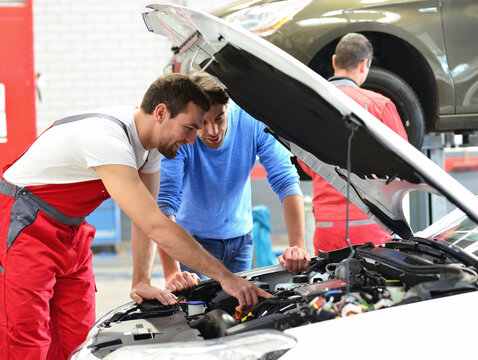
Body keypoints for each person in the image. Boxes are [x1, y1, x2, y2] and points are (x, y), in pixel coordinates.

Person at [0, 73, 271, 360]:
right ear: (161, 113)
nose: (193, 140)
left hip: (71, 231)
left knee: (79, 340)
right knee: (26, 341)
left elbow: (147, 218)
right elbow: (157, 226)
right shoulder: (107, 139)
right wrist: (226, 278)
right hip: (24, 224)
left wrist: (141, 280)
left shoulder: (148, 147)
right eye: (189, 128)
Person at [157, 72, 311, 290]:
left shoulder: (252, 121)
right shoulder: (181, 135)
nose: (213, 131)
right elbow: (164, 205)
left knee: (241, 314)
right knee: (198, 317)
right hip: (191, 244)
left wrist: (298, 246)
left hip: (241, 242)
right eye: (202, 122)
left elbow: (286, 180)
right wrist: (172, 272)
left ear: (228, 106)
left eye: (219, 117)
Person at [298, 33, 409, 255]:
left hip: (326, 232)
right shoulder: (379, 105)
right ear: (364, 64)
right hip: (372, 230)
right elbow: (404, 166)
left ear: (333, 61)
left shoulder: (310, 107)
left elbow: (307, 166)